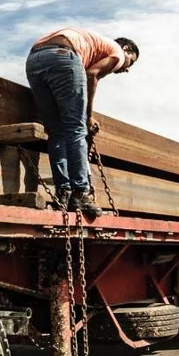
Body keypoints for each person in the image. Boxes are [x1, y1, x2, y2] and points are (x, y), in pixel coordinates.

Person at [25, 28, 139, 218]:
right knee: (77, 129)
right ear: (125, 48)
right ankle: (81, 192)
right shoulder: (117, 53)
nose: (126, 68)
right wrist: (88, 116)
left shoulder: (95, 44)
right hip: (63, 56)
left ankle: (64, 190)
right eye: (131, 62)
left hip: (34, 60)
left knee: (56, 131)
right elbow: (91, 74)